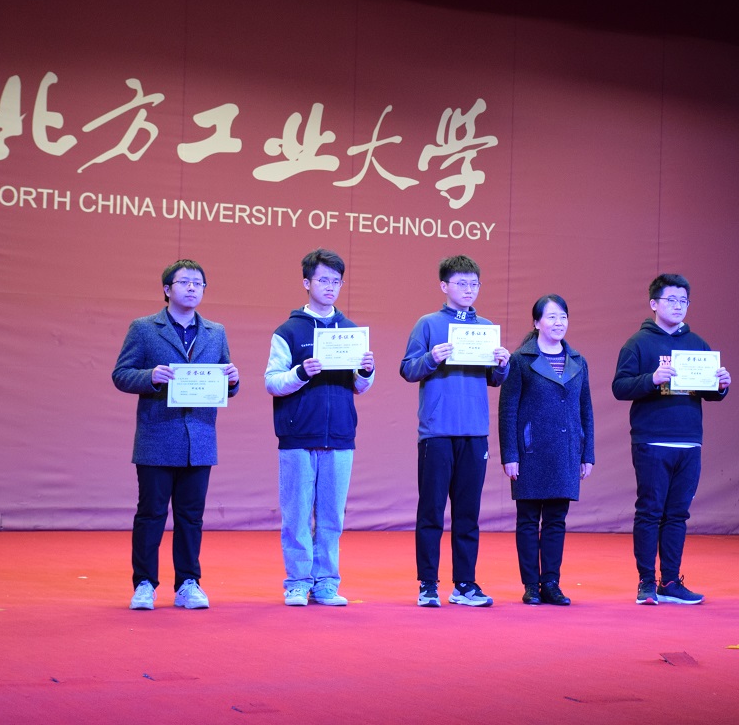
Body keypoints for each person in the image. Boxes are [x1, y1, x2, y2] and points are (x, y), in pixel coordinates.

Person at [112, 259, 240, 611]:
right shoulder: (144, 328)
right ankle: (144, 584)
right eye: (184, 282)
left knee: (191, 517)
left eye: (198, 283)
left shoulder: (215, 332)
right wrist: (150, 376)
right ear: (167, 289)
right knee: (151, 514)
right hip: (157, 435)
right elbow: (121, 374)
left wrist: (232, 380)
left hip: (199, 438)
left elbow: (224, 382)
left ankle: (188, 583)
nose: (192, 288)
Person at [265, 248, 375, 607]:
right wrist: (301, 373)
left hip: (340, 435)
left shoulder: (351, 332)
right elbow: (272, 381)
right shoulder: (288, 331)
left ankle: (326, 582)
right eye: (323, 280)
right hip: (297, 434)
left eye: (336, 281)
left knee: (331, 517)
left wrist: (367, 371)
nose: (330, 287)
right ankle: (297, 582)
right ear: (306, 283)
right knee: (296, 515)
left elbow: (360, 386)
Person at [611, 273, 730, 606]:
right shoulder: (638, 343)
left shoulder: (698, 344)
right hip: (652, 440)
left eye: (683, 301)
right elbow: (620, 387)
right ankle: (646, 582)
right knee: (650, 511)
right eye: (671, 300)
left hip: (690, 441)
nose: (678, 306)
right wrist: (652, 378)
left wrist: (721, 385)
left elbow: (710, 392)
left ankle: (672, 582)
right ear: (653, 303)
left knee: (678, 514)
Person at [400, 255, 510, 608]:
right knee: (431, 510)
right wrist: (432, 358)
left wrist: (502, 364)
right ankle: (427, 584)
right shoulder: (428, 324)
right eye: (461, 283)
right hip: (436, 431)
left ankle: (464, 584)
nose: (468, 290)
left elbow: (494, 379)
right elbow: (408, 369)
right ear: (444, 286)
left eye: (474, 284)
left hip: (475, 431)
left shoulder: (485, 328)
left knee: (468, 514)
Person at [499, 294, 595, 606]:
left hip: (565, 451)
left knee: (556, 520)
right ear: (537, 322)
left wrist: (587, 454)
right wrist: (510, 455)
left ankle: (551, 583)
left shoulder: (578, 361)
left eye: (563, 317)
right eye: (551, 317)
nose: (558, 323)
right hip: (530, 452)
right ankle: (531, 585)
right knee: (528, 520)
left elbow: (586, 410)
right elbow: (508, 411)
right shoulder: (520, 360)